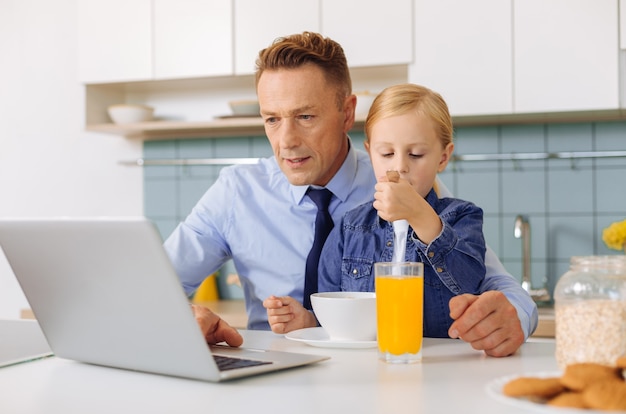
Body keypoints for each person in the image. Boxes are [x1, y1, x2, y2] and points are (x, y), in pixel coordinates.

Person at [164, 31, 537, 356]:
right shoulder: (235, 192)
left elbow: (489, 279)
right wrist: (182, 318)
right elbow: (153, 284)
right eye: (272, 119)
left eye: (305, 117)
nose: (286, 141)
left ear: (347, 113)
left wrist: (513, 317)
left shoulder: (402, 185)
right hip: (274, 381)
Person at [266, 82, 489, 339]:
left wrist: (420, 215)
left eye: (415, 154)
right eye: (387, 153)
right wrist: (308, 321)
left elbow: (470, 283)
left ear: (443, 157)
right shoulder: (350, 228)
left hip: (439, 366)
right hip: (365, 367)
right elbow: (335, 308)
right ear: (371, 153)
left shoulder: (462, 218)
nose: (399, 167)